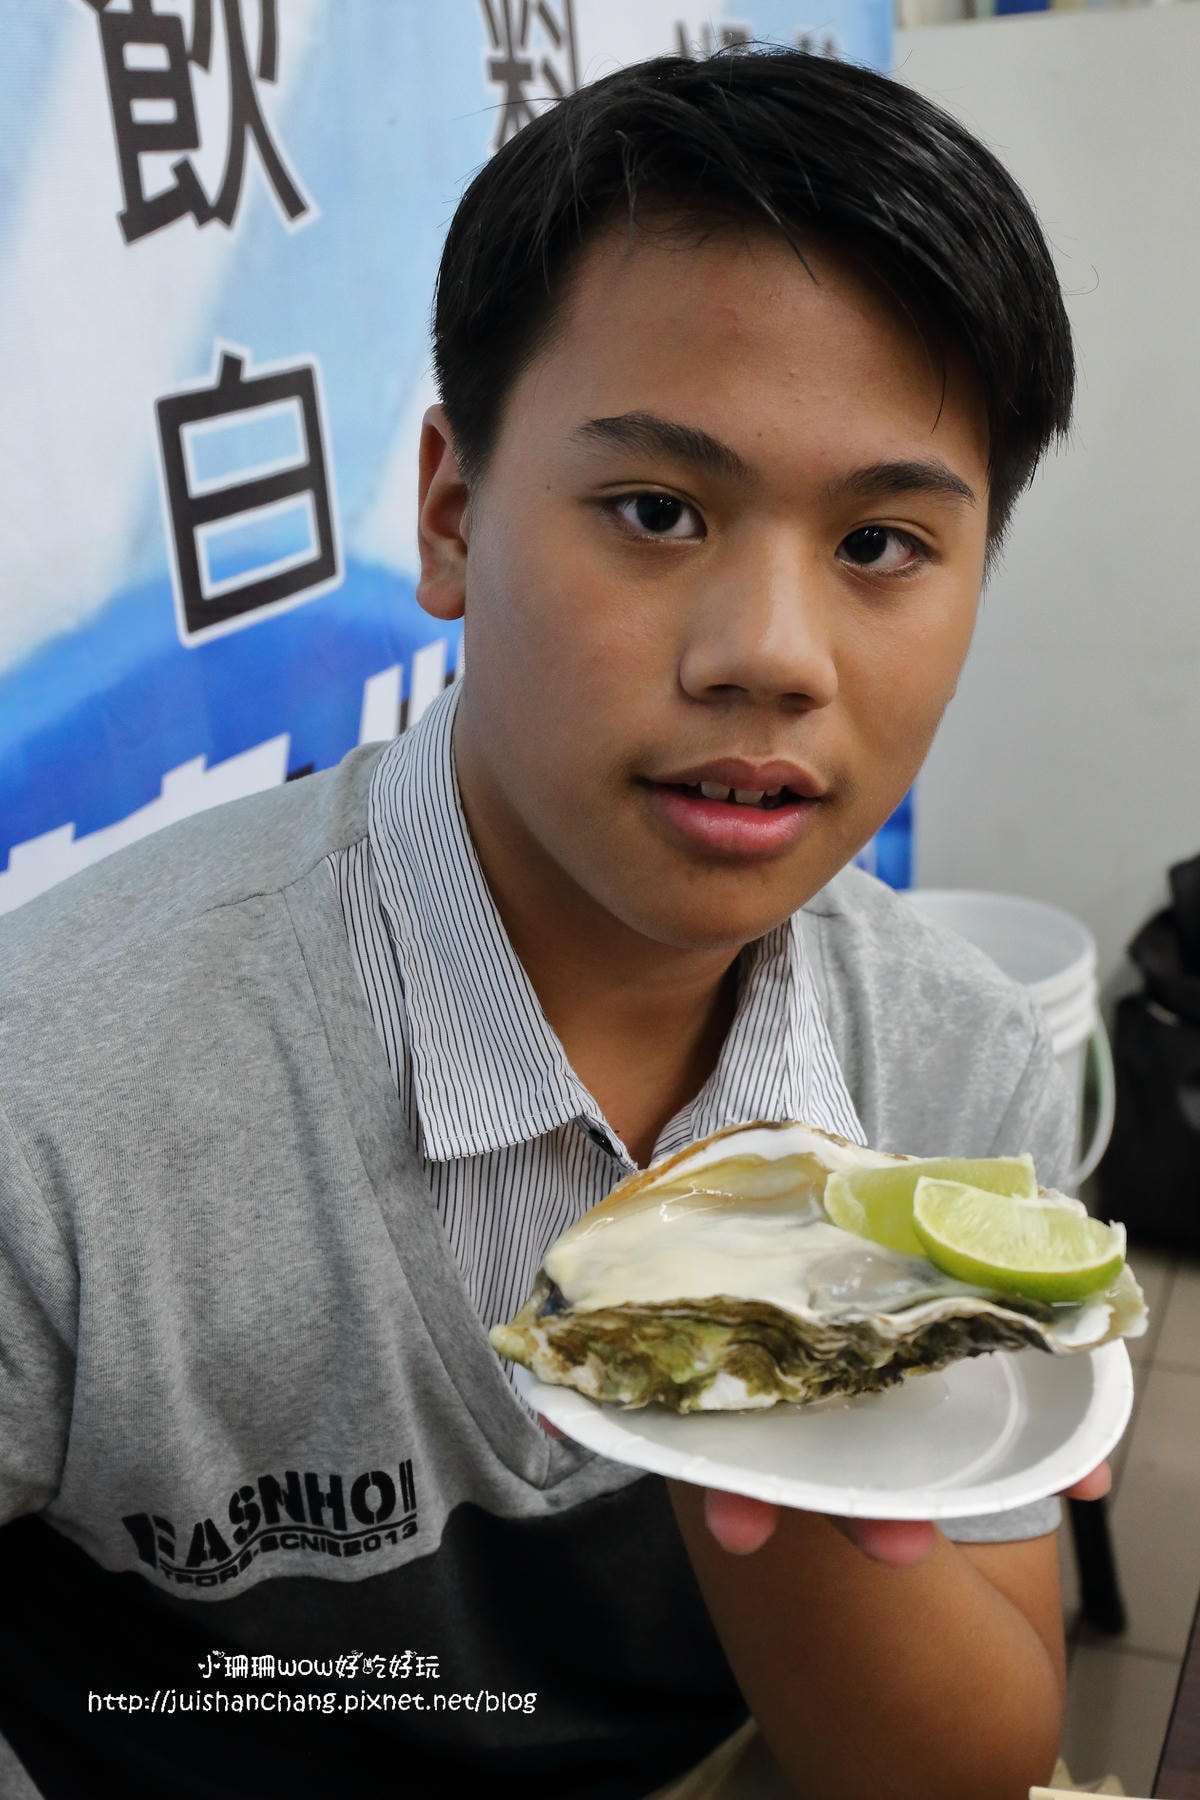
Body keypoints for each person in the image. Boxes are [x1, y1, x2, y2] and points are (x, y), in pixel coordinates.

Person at [0, 45, 1107, 1800]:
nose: (774, 652)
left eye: (884, 543)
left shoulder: (950, 1070)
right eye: (657, 511)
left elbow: (957, 1764)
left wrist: (796, 1405)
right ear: (451, 512)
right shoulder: (54, 1106)